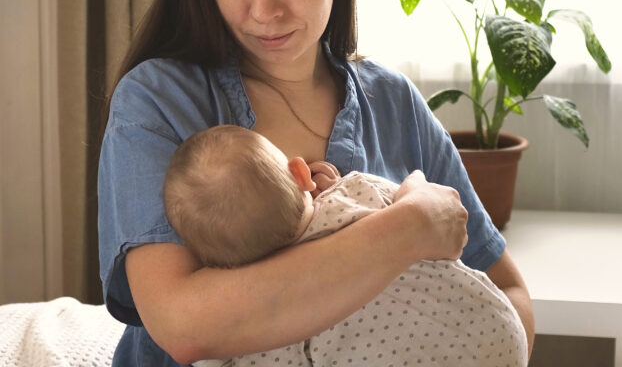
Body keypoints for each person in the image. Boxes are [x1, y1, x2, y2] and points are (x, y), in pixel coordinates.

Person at [97, 0, 534, 366]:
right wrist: (408, 228)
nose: (264, 9)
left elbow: (511, 298)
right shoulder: (158, 102)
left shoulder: (392, 103)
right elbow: (183, 326)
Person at [163, 125, 528, 366]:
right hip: (493, 338)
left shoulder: (243, 335)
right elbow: (438, 223)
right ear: (302, 173)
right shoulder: (359, 191)